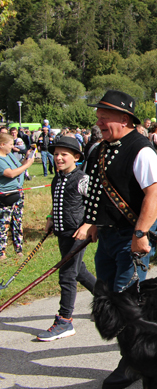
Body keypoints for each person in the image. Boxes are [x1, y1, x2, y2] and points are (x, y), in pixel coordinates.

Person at [73, 90, 157, 389]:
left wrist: (140, 234)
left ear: (124, 119)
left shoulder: (141, 149)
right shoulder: (99, 149)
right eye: (98, 116)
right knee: (107, 297)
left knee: (126, 303)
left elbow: (154, 193)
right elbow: (98, 193)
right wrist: (94, 222)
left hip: (130, 238)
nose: (98, 121)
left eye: (104, 116)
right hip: (108, 237)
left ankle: (133, 361)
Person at [36, 137, 97, 341]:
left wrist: (87, 226)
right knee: (79, 271)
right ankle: (109, 299)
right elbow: (57, 202)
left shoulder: (82, 179)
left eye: (64, 154)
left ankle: (65, 321)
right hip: (63, 233)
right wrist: (51, 218)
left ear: (76, 157)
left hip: (78, 233)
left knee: (67, 275)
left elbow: (93, 206)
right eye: (55, 154)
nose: (58, 158)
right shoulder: (57, 178)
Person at [0, 133, 35, 261]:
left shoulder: (9, 155)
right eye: (10, 144)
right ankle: (1, 252)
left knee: (17, 221)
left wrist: (27, 158)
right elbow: (10, 173)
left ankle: (18, 248)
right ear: (2, 145)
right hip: (5, 197)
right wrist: (28, 165)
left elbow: (18, 167)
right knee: (4, 224)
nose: (12, 147)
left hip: (18, 193)